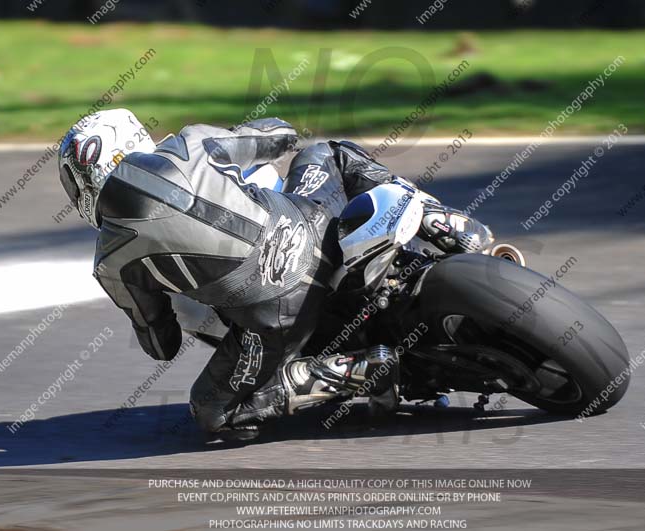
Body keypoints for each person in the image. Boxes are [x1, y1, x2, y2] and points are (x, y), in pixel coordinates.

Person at [58, 109, 407, 442]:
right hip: (316, 226)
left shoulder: (110, 262)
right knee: (328, 153)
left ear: (84, 182)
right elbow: (279, 133)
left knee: (211, 412)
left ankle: (363, 369)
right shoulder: (192, 141)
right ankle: (433, 218)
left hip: (279, 314)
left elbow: (163, 345)